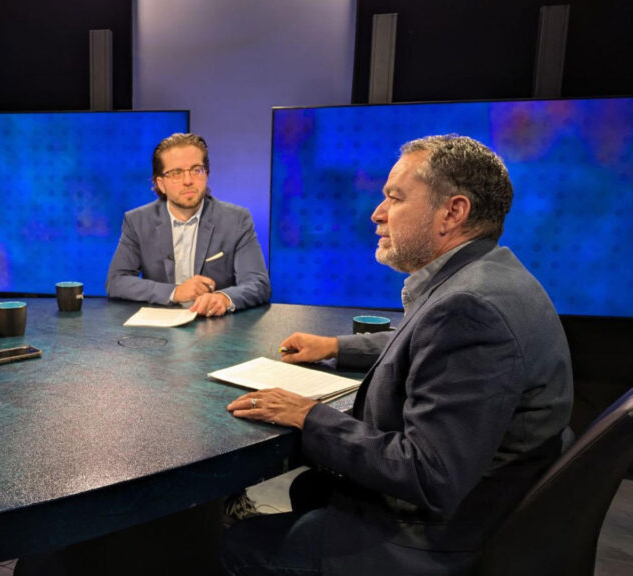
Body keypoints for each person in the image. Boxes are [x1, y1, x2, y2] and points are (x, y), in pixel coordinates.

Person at [223, 135, 573, 575]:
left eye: (394, 197)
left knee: (243, 543)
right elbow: (429, 344)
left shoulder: (470, 309)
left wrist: (308, 416)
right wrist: (334, 346)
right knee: (312, 488)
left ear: (453, 212)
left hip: (438, 540)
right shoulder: (489, 277)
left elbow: (428, 472)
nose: (377, 213)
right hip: (488, 508)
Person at [106, 132, 270, 316]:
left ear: (206, 174)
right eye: (176, 173)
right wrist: (174, 292)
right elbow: (116, 281)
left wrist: (223, 298)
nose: (188, 181)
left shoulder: (236, 220)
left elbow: (258, 283)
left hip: (217, 331)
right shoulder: (138, 221)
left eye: (196, 170)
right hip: (159, 332)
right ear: (160, 183)